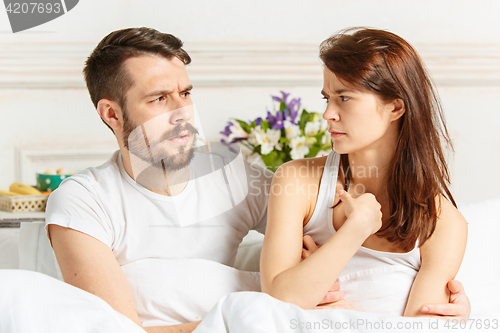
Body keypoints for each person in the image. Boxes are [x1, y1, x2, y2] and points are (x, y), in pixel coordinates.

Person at [45, 27, 470, 333]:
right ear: (112, 114)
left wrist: (455, 314)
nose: (182, 113)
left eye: (186, 94)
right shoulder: (82, 202)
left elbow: (319, 254)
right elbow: (116, 330)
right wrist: (245, 320)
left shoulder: (237, 180)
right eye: (159, 98)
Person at [260, 27, 468, 317]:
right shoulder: (296, 181)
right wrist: (356, 228)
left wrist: (343, 311)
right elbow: (276, 300)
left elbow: (420, 328)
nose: (327, 114)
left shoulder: (442, 223)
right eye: (327, 98)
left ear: (396, 107)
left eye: (343, 98)